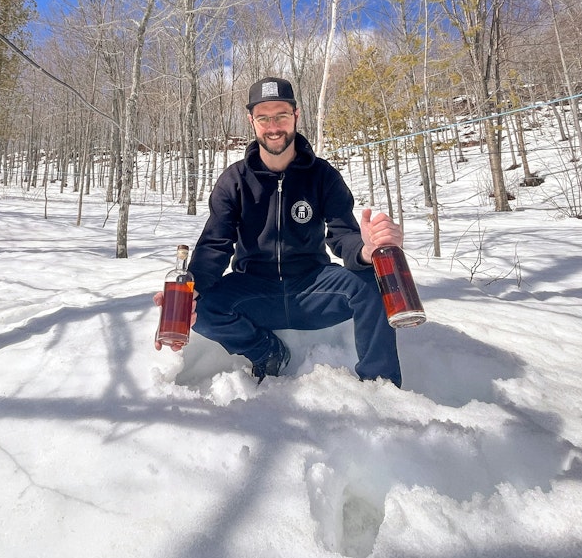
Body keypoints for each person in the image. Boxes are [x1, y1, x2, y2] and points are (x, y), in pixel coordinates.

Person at [166, 76, 405, 386]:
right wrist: (191, 291)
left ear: (296, 116)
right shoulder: (234, 181)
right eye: (264, 117)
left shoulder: (322, 176)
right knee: (202, 307)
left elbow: (342, 234)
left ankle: (381, 384)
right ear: (251, 120)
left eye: (281, 115)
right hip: (254, 292)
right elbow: (215, 245)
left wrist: (365, 249)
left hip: (314, 289)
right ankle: (265, 351)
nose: (273, 125)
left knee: (377, 284)